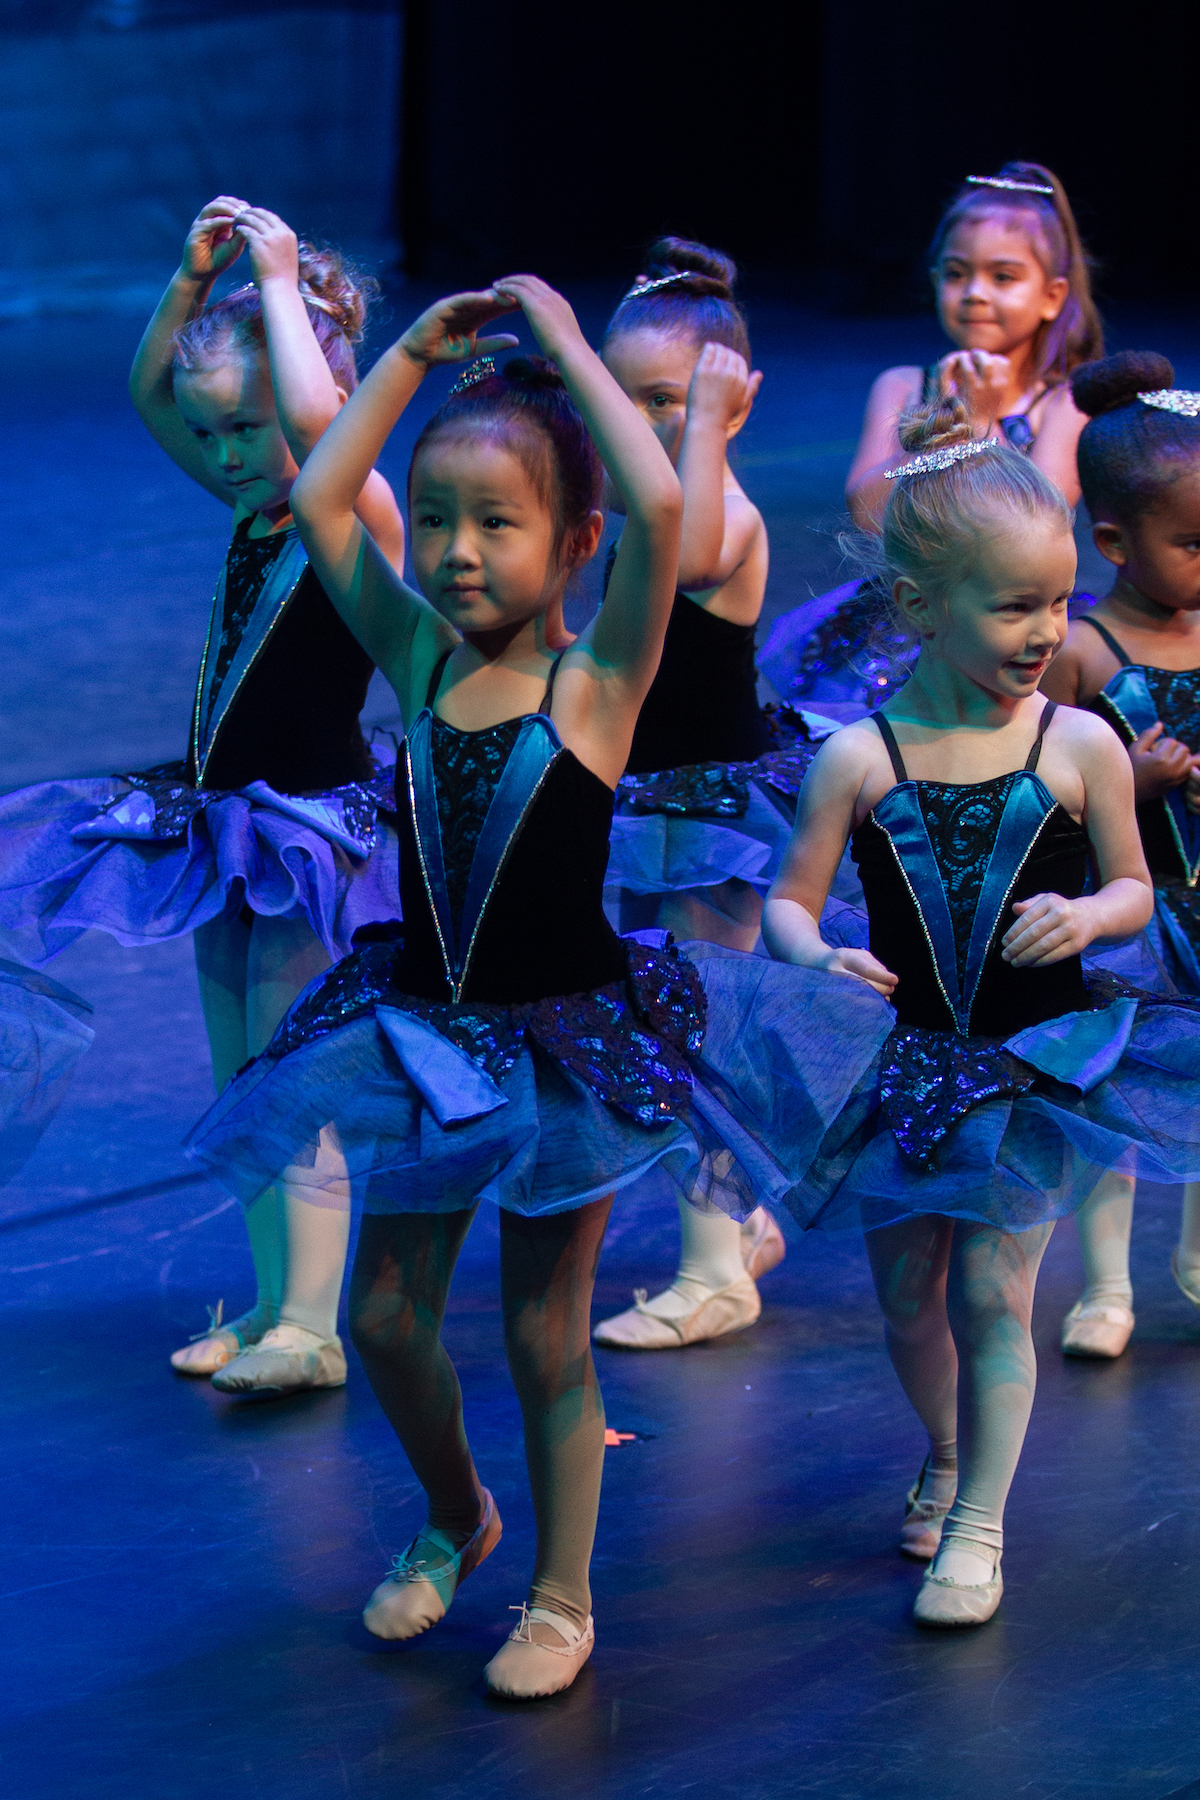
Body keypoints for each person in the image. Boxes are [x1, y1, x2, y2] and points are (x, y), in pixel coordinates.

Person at [761, 396, 1200, 1626]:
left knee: (990, 1297)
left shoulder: (1080, 743)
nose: (1044, 631)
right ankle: (949, 1450)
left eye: (1058, 603)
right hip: (902, 1066)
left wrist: (1098, 920)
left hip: (1036, 1061)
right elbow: (790, 905)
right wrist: (818, 956)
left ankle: (980, 1521)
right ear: (917, 608)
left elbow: (1132, 880)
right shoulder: (857, 758)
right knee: (907, 1303)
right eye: (1014, 607)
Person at [0, 199, 405, 1395]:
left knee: (296, 1077)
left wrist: (279, 280)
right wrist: (188, 287)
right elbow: (144, 395)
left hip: (304, 832)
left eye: (250, 427)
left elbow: (325, 432)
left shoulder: (349, 514)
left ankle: (317, 1328)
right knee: (243, 1085)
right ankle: (279, 1299)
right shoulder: (250, 507)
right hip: (225, 830)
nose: (228, 453)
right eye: (213, 432)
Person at [594, 237, 800, 1351]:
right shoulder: (640, 512)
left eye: (668, 402)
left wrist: (706, 428)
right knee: (658, 1024)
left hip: (710, 820)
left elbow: (692, 551)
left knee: (697, 1033)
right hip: (640, 807)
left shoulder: (723, 517)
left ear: (730, 405)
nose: (643, 425)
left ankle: (718, 1268)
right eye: (622, 403)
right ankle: (737, 1226)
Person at [759, 162, 1104, 712]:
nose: (974, 293)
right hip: (912, 621)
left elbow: (1040, 515)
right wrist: (939, 430)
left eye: (1004, 277)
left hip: (1010, 626)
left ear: (1052, 296)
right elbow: (869, 511)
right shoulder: (903, 385)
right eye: (956, 273)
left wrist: (982, 421)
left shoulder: (1064, 402)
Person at [1041, 351, 1200, 1359]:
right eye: (1193, 542)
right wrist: (1128, 785)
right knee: (1112, 1100)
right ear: (1112, 539)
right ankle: (1104, 1289)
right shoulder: (1085, 651)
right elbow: (1034, 792)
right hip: (1130, 914)